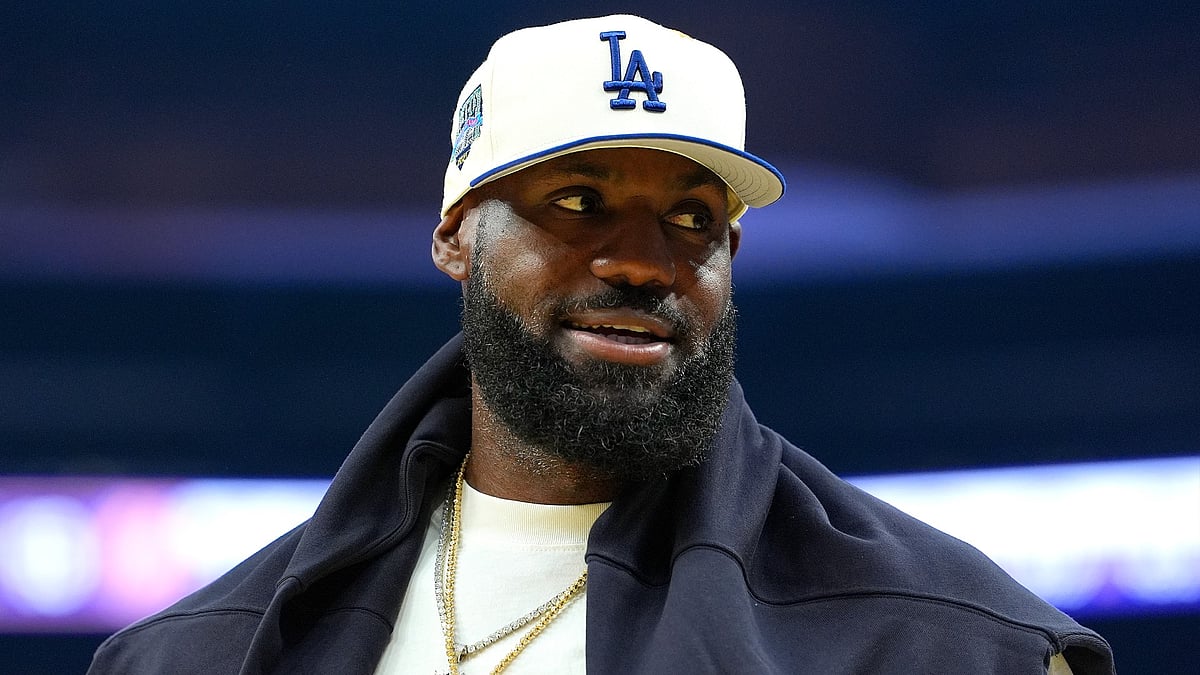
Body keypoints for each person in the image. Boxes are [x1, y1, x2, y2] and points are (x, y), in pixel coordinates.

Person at [88, 14, 1114, 675]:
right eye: (579, 203)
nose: (642, 263)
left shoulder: (954, 646)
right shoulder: (193, 657)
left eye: (693, 221)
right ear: (456, 237)